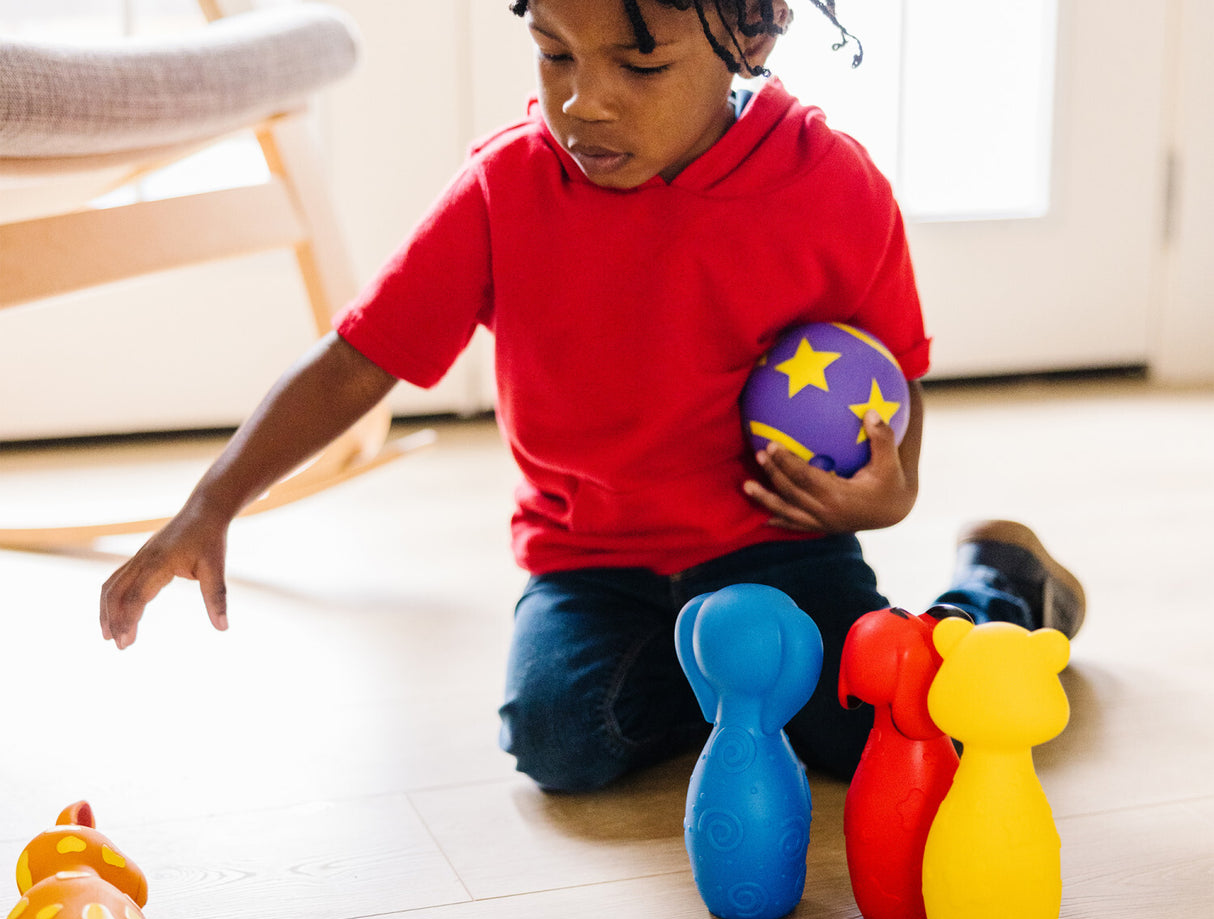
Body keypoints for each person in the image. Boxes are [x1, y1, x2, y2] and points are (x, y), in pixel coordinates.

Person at [99, 0, 1084, 792]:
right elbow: (361, 358)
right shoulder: (503, 189)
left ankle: (999, 584)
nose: (584, 103)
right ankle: (749, 677)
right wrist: (213, 500)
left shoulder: (832, 187)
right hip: (593, 560)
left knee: (899, 726)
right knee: (560, 743)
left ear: (753, 28)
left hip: (779, 542)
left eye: (637, 66)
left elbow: (895, 380)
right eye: (553, 54)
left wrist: (890, 495)